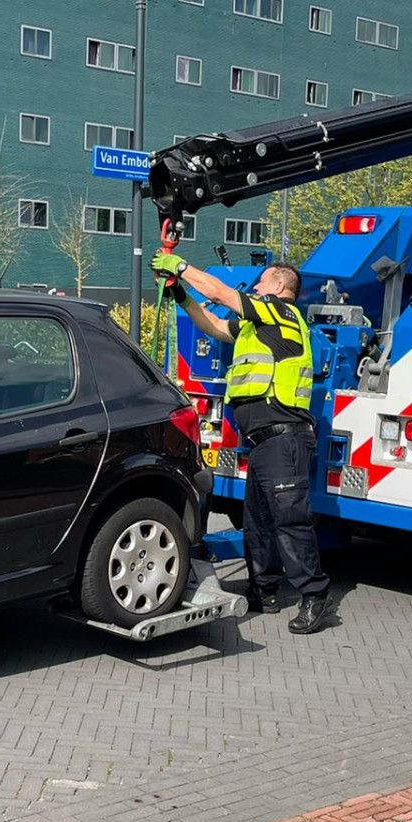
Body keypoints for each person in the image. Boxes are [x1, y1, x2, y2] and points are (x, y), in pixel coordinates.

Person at [152, 252, 331, 634]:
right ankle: (263, 590)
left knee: (290, 521)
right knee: (259, 523)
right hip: (265, 443)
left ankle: (315, 596)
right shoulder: (258, 326)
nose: (257, 287)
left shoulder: (278, 312)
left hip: (286, 438)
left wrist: (182, 266)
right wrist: (180, 294)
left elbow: (219, 294)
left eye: (263, 282)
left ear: (280, 288)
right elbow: (215, 325)